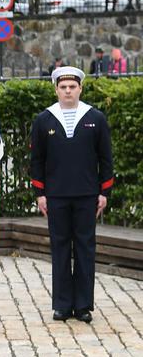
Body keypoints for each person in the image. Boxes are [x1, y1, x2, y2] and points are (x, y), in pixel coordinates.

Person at [29, 66, 114, 322]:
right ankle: (62, 305)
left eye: (72, 87)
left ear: (80, 88)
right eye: (63, 87)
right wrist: (40, 193)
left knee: (86, 249)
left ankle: (83, 305)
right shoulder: (44, 120)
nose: (68, 91)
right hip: (56, 197)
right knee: (61, 249)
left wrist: (104, 192)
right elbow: (37, 161)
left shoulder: (95, 118)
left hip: (87, 196)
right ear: (56, 89)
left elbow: (106, 159)